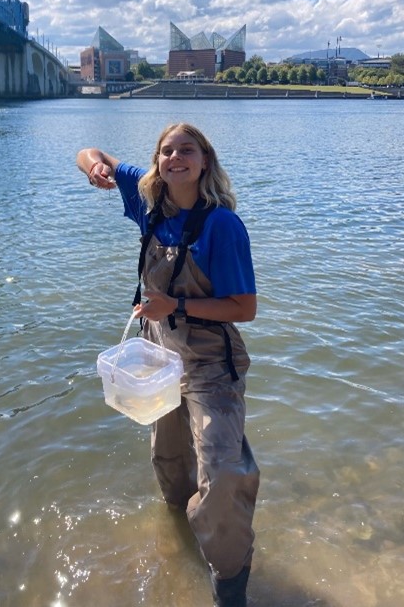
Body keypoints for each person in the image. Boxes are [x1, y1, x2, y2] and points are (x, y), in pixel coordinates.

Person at [76, 123, 260, 607]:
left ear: (205, 161)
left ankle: (230, 581)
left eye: (187, 150)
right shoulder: (147, 201)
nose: (175, 157)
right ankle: (178, 549)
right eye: (166, 150)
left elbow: (244, 308)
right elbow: (89, 152)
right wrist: (95, 166)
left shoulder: (223, 226)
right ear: (158, 161)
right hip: (159, 356)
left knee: (222, 472)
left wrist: (174, 306)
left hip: (211, 363)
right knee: (169, 460)